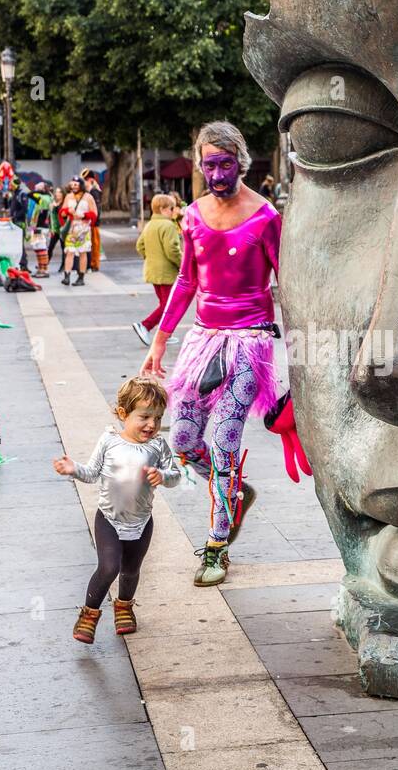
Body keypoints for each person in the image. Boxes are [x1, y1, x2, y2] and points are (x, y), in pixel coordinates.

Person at [141, 121, 281, 586]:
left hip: (250, 340)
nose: (217, 173)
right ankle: (234, 493)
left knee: (223, 442)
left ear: (240, 162)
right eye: (209, 164)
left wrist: (303, 353)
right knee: (181, 439)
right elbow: (185, 281)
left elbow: (290, 284)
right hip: (203, 340)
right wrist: (161, 340)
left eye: (225, 164)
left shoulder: (265, 217)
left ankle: (217, 545)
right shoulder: (193, 216)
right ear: (200, 166)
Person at [54, 376, 182, 643]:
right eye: (144, 417)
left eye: (157, 418)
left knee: (131, 570)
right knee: (109, 567)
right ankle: (89, 614)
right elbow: (91, 473)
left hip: (141, 521)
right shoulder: (109, 441)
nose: (152, 424)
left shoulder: (158, 446)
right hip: (109, 520)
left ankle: (124, 607)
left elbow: (175, 475)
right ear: (124, 414)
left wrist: (163, 475)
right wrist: (73, 468)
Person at [131, 194, 183, 346]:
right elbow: (172, 250)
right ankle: (145, 325)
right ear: (163, 209)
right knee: (168, 306)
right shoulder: (168, 225)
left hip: (153, 270)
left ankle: (166, 333)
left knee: (164, 303)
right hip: (166, 272)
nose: (173, 211)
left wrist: (151, 258)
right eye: (171, 208)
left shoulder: (149, 225)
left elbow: (139, 246)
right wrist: (182, 264)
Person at [58, 176, 97, 286]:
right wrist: (66, 212)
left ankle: (81, 277)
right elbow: (62, 212)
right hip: (71, 228)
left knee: (82, 252)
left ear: (81, 185)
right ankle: (67, 276)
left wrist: (83, 215)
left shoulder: (88, 197)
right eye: (72, 184)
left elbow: (94, 214)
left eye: (76, 184)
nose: (74, 186)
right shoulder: (68, 197)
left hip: (84, 229)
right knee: (69, 252)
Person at [81, 169, 104, 271]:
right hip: (89, 222)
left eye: (84, 180)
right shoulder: (88, 192)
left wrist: (94, 221)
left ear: (90, 180)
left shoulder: (94, 192)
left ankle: (94, 264)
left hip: (93, 222)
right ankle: (91, 263)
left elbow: (97, 209)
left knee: (94, 244)